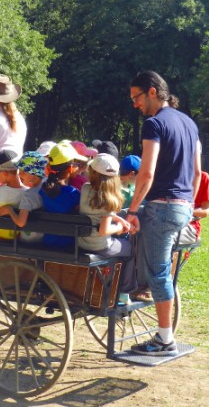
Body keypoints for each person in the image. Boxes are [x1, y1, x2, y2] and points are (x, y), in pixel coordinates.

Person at [126, 70, 201, 356]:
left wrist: (133, 209)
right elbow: (196, 173)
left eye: (137, 97)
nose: (135, 104)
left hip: (162, 207)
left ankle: (164, 339)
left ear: (152, 92)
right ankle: (135, 289)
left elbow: (146, 173)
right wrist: (189, 205)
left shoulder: (154, 124)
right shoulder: (189, 124)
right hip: (183, 207)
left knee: (158, 274)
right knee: (158, 267)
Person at [78, 153, 136, 304]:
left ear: (92, 172)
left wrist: (119, 219)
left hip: (82, 242)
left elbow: (96, 215)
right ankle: (123, 291)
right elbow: (104, 230)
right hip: (100, 246)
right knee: (130, 249)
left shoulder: (85, 189)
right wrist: (119, 228)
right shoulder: (110, 198)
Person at [40, 142, 87, 247]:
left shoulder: (43, 190)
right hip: (70, 244)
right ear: (70, 168)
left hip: (48, 242)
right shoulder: (74, 194)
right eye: (76, 164)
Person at [0, 151, 47, 242]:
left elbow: (20, 222)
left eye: (23, 170)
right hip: (44, 238)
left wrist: (9, 210)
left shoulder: (29, 195)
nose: (19, 174)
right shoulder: (47, 187)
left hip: (29, 241)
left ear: (33, 172)